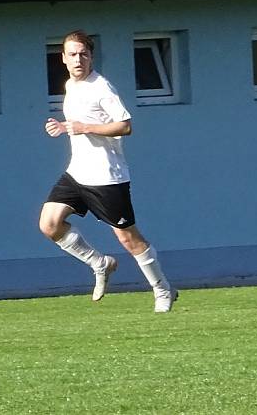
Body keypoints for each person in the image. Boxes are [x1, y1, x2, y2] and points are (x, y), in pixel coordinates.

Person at [39, 30, 177, 313]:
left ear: (91, 56)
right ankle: (100, 263)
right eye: (73, 54)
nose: (79, 59)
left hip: (106, 177)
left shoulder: (102, 87)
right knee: (49, 224)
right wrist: (62, 127)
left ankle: (162, 289)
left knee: (128, 238)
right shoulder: (71, 86)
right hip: (77, 173)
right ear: (63, 58)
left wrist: (83, 127)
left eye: (83, 54)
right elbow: (77, 123)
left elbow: (125, 125)